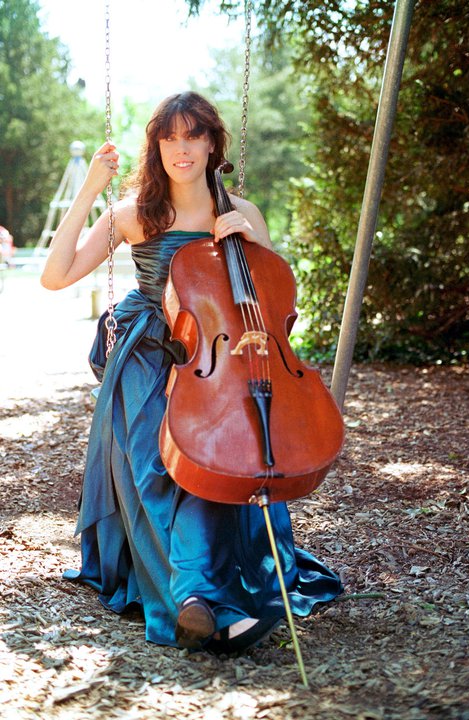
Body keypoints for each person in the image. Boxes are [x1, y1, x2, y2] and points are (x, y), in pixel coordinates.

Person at [41, 91, 342, 655]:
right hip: (148, 348)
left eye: (194, 135)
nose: (182, 149)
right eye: (170, 137)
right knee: (163, 464)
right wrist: (89, 191)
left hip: (219, 358)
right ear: (156, 146)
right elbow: (55, 277)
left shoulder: (241, 212)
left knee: (222, 454)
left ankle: (202, 600)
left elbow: (272, 305)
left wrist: (253, 245)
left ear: (212, 143)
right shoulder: (133, 214)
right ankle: (196, 599)